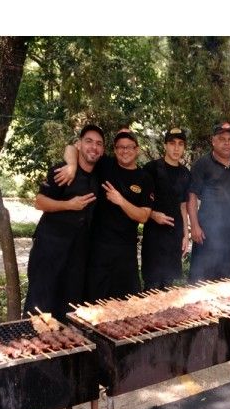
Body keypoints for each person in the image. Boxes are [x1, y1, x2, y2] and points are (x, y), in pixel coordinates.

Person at [58, 128, 154, 301]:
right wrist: (72, 165)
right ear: (115, 150)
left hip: (126, 252)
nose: (125, 151)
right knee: (94, 305)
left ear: (137, 149)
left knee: (128, 305)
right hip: (98, 250)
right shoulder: (105, 165)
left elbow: (144, 216)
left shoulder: (144, 178)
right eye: (120, 147)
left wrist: (121, 200)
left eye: (129, 147)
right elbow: (71, 148)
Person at [23, 124, 104, 320]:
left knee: (68, 309)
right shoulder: (63, 171)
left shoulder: (99, 173)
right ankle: (31, 347)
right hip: (50, 249)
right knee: (40, 307)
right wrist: (69, 205)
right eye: (89, 141)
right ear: (79, 144)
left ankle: (65, 349)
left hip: (78, 254)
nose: (93, 147)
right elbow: (39, 202)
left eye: (99, 144)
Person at [187, 122, 230, 282]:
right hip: (207, 236)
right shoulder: (202, 164)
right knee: (202, 282)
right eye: (222, 139)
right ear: (213, 141)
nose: (227, 143)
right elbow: (192, 197)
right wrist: (195, 226)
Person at [141, 127, 191, 290]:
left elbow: (183, 206)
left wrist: (185, 234)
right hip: (154, 237)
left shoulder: (185, 173)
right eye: (172, 143)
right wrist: (154, 215)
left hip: (173, 237)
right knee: (152, 288)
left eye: (180, 144)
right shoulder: (152, 169)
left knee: (168, 287)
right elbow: (140, 202)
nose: (176, 148)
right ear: (165, 146)